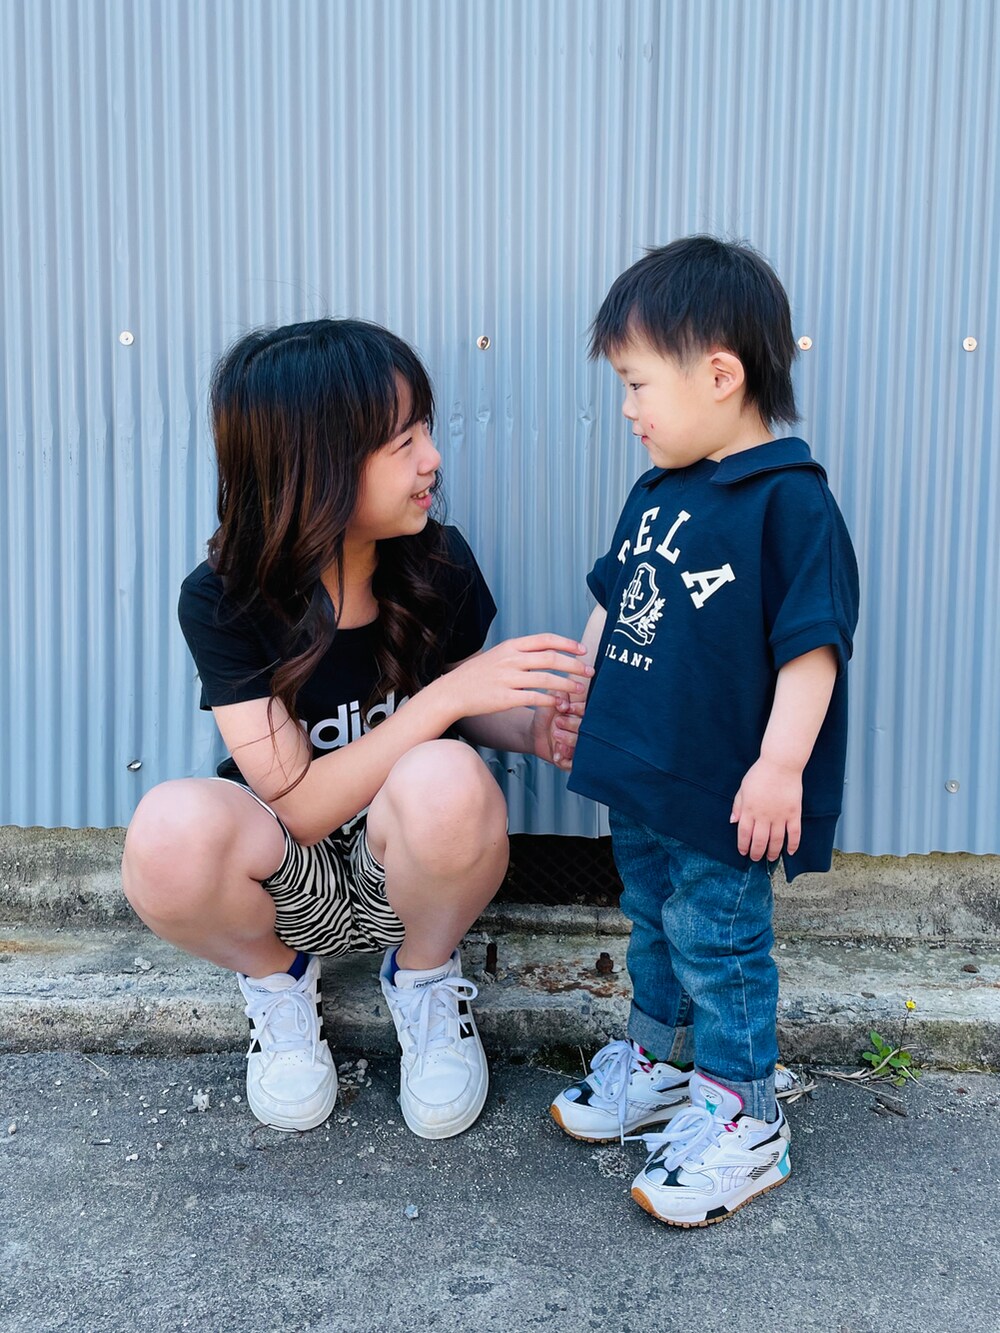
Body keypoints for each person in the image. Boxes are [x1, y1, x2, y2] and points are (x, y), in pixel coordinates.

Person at [122, 318, 590, 1140]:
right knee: (166, 828)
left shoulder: (436, 561)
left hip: (404, 876)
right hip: (287, 875)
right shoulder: (225, 595)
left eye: (425, 433)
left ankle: (424, 980)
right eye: (401, 442)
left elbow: (468, 709)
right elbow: (298, 806)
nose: (431, 459)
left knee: (448, 775)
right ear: (318, 468)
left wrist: (538, 726)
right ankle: (278, 985)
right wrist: (438, 704)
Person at [549, 237, 860, 1226]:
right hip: (647, 772)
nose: (629, 409)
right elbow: (619, 595)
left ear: (719, 375)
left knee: (718, 941)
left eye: (638, 385)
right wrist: (582, 679)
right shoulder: (657, 491)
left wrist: (780, 766)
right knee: (651, 916)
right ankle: (659, 1066)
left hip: (726, 786)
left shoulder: (789, 504)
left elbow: (812, 649)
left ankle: (744, 1111)